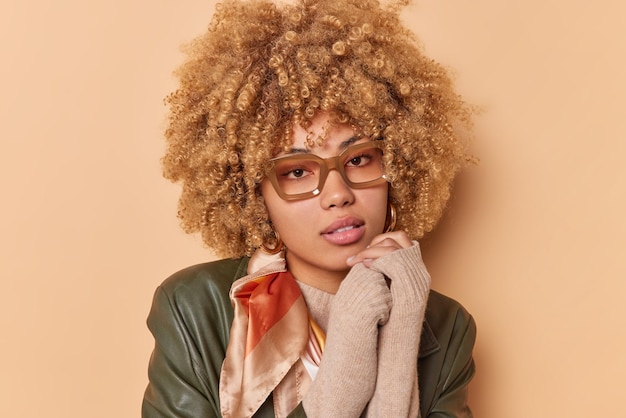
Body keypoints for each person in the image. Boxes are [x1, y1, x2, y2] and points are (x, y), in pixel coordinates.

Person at [142, 0, 476, 416]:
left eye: (358, 160)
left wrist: (402, 324)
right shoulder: (194, 308)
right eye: (298, 171)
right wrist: (350, 343)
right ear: (255, 195)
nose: (337, 194)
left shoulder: (448, 328)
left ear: (397, 165)